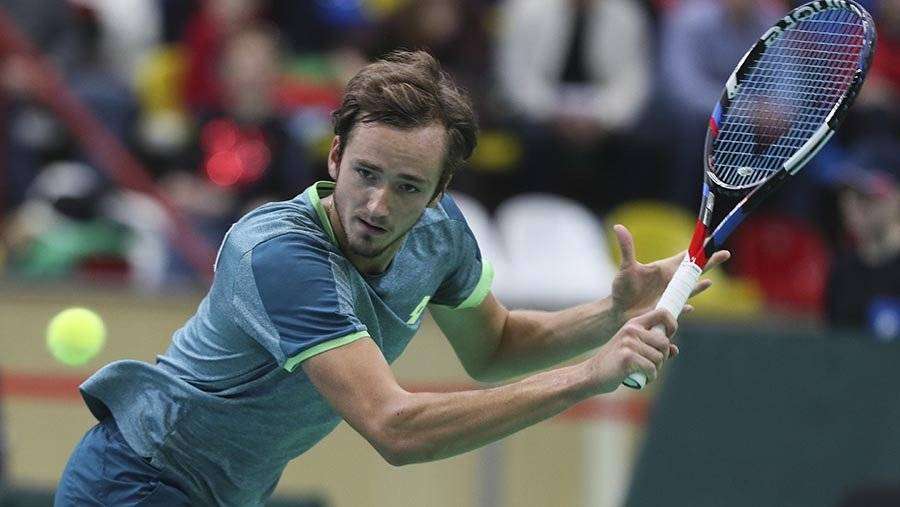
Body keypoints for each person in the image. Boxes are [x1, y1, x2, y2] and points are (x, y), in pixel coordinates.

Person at [54, 50, 728, 506]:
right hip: (134, 480)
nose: (377, 206)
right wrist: (589, 375)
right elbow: (395, 427)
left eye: (407, 186)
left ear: (438, 192)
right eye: (366, 173)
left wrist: (609, 314)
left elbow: (495, 348)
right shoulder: (280, 256)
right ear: (336, 156)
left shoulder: (441, 235)